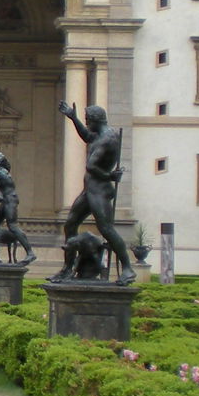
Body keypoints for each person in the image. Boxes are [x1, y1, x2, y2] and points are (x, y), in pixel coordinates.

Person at [56, 101, 134, 284]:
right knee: (70, 224)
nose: (87, 123)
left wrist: (108, 176)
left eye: (87, 120)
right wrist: (73, 118)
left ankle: (128, 269)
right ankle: (67, 268)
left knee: (106, 229)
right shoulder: (100, 134)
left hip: (99, 190)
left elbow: (91, 166)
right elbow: (86, 137)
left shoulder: (108, 138)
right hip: (90, 189)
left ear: (94, 120)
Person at [0, 151, 36, 265]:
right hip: (5, 201)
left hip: (10, 201)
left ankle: (30, 253)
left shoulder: (2, 173)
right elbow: (2, 190)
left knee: (13, 225)